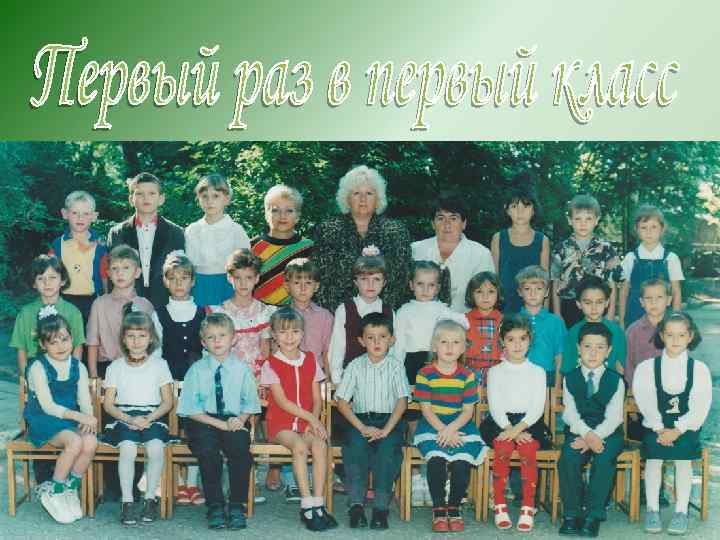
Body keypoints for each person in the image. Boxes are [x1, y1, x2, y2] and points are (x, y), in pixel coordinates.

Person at [177, 313, 261, 530]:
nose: (217, 341)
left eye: (222, 335)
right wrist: (221, 425)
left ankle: (236, 505)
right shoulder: (196, 370)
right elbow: (190, 409)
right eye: (211, 337)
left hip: (234, 419)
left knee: (240, 450)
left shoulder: (242, 369)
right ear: (203, 342)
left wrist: (240, 420)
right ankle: (215, 505)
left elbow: (250, 403)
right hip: (202, 419)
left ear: (233, 339)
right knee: (208, 451)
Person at [633, 312, 712, 536]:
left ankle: (681, 511)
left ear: (690, 336)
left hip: (685, 427)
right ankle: (652, 509)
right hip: (656, 426)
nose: (675, 340)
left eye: (681, 335)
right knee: (654, 456)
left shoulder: (699, 369)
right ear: (661, 336)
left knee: (683, 458)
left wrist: (677, 430)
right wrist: (660, 428)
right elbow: (645, 401)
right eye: (670, 335)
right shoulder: (647, 368)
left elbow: (700, 407)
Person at [259, 307, 337, 532]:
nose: (289, 337)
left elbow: (317, 398)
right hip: (281, 424)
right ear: (274, 335)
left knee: (320, 445)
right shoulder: (270, 364)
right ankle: (306, 505)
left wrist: (313, 422)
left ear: (302, 334)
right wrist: (314, 420)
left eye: (295, 331)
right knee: (300, 447)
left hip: (307, 422)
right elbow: (283, 402)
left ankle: (318, 503)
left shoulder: (311, 359)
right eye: (283, 332)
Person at [336, 312, 410, 530]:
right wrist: (362, 427)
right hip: (361, 422)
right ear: (361, 341)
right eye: (370, 337)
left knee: (387, 453)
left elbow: (402, 402)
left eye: (382, 337)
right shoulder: (355, 366)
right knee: (355, 450)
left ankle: (380, 508)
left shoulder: (396, 366)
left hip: (389, 422)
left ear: (391, 340)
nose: (377, 342)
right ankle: (356, 506)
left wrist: (386, 430)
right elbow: (342, 402)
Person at [101, 309, 174, 526]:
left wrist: (149, 418)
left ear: (151, 338)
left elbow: (167, 402)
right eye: (131, 336)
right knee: (128, 448)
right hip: (124, 416)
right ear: (123, 338)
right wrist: (129, 419)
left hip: (152, 415)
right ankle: (127, 502)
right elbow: (108, 404)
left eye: (142, 336)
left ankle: (150, 498)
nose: (136, 341)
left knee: (155, 448)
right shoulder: (115, 367)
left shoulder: (160, 365)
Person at [24, 309, 97, 524]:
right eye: (53, 342)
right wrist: (79, 417)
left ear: (72, 339)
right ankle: (55, 490)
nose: (60, 346)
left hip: (68, 419)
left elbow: (84, 400)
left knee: (90, 442)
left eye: (64, 339)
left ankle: (70, 488)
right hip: (43, 418)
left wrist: (89, 418)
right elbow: (47, 405)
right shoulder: (38, 367)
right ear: (43, 345)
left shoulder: (79, 367)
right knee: (74, 442)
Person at [414, 320, 487, 533]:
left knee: (461, 462)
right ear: (434, 346)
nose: (449, 347)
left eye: (455, 342)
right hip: (432, 424)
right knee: (436, 460)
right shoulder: (425, 373)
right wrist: (443, 430)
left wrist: (451, 429)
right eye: (444, 342)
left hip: (460, 423)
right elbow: (426, 409)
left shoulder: (467, 375)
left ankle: (454, 507)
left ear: (463, 348)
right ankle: (438, 509)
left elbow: (468, 411)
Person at [480, 314, 550, 532]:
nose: (517, 345)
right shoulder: (495, 372)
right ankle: (499, 504)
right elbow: (495, 405)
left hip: (530, 422)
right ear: (502, 341)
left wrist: (519, 430)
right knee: (503, 447)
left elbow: (537, 407)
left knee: (527, 449)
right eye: (511, 339)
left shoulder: (538, 372)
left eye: (522, 339)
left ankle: (528, 506)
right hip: (501, 422)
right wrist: (511, 430)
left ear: (530, 340)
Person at [558, 323, 625, 538]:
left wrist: (594, 438)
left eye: (600, 347)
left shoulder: (616, 380)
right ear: (579, 348)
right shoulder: (570, 377)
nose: (593, 352)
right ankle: (572, 513)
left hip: (609, 433)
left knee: (604, 459)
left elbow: (614, 417)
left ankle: (594, 515)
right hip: (579, 430)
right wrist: (587, 435)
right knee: (568, 458)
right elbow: (569, 414)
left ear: (608, 351)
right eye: (587, 346)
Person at [314, 165, 411, 312]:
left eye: (369, 193)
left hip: (383, 314)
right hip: (338, 313)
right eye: (356, 193)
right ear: (347, 198)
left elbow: (401, 279)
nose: (363, 199)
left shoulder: (396, 231)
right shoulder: (328, 230)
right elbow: (321, 279)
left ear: (378, 199)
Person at [150, 252, 206, 505]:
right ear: (165, 281)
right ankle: (177, 481)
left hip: (196, 384)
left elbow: (208, 351)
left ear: (192, 281)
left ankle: (192, 482)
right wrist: (163, 383)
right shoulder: (159, 314)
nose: (179, 283)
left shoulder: (202, 313)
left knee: (194, 430)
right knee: (172, 430)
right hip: (169, 384)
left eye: (184, 278)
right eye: (173, 278)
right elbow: (155, 353)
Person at [279, 258, 333, 502]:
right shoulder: (280, 315)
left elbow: (327, 352)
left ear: (317, 286)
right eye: (297, 282)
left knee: (312, 427)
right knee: (290, 426)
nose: (302, 288)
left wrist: (329, 379)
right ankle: (291, 480)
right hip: (287, 381)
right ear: (287, 285)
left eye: (308, 283)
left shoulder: (325, 316)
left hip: (315, 381)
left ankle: (313, 477)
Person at [107, 172, 185, 309]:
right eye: (139, 194)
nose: (146, 198)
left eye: (151, 193)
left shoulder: (176, 233)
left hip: (166, 304)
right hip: (127, 303)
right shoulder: (117, 233)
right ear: (131, 199)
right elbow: (111, 273)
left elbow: (182, 272)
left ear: (161, 199)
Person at [412, 195, 494, 313]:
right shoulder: (415, 250)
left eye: (453, 218)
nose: (447, 224)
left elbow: (488, 299)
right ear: (433, 223)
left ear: (464, 223)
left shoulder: (481, 254)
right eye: (440, 218)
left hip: (465, 321)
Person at [551, 194, 621, 328]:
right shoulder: (561, 249)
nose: (583, 223)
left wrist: (611, 313)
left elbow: (612, 282)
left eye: (588, 218)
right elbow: (555, 282)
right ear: (570, 220)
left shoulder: (607, 249)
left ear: (596, 220)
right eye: (578, 219)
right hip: (569, 307)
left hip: (597, 307)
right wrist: (557, 313)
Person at [394, 260, 468, 386]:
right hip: (412, 361)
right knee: (414, 394)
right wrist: (397, 371)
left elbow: (465, 323)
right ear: (411, 285)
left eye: (431, 285)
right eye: (420, 284)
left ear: (437, 288)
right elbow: (399, 345)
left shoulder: (443, 310)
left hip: (438, 361)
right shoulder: (404, 311)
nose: (425, 289)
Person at [86, 245, 154, 379]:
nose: (119, 273)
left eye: (126, 268)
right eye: (114, 268)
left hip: (139, 368)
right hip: (106, 367)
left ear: (137, 272)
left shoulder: (145, 306)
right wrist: (93, 375)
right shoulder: (99, 304)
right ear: (108, 273)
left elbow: (152, 344)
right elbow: (92, 342)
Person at [208, 249, 275, 381]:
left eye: (248, 277)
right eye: (238, 278)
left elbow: (265, 349)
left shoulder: (264, 312)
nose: (243, 283)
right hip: (229, 376)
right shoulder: (221, 313)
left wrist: (265, 379)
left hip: (257, 376)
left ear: (257, 278)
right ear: (229, 278)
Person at [11, 255, 85, 376]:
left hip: (64, 368)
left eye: (52, 277)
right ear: (34, 283)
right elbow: (21, 349)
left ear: (62, 280)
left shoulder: (73, 312)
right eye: (41, 278)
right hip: (34, 371)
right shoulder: (25, 313)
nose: (47, 283)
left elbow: (77, 346)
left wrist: (74, 374)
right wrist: (25, 378)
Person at [327, 253, 394, 384]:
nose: (370, 284)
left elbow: (393, 349)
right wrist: (337, 379)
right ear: (356, 282)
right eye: (364, 279)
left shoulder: (389, 311)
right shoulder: (345, 309)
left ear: (384, 282)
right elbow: (337, 346)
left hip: (380, 378)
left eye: (376, 279)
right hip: (351, 378)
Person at [185, 173, 251, 307]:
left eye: (215, 196)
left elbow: (245, 266)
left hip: (228, 286)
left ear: (226, 199)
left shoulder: (236, 231)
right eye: (204, 196)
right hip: (199, 287)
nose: (210, 201)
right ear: (198, 199)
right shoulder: (192, 230)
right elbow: (188, 265)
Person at [49, 190, 108, 326]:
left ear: (94, 216)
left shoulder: (100, 245)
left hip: (92, 301)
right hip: (64, 300)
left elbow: (104, 275)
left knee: (91, 337)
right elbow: (50, 274)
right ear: (65, 214)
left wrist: (106, 300)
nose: (80, 218)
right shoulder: (57, 245)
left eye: (86, 214)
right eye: (75, 213)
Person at [619, 204, 684, 329]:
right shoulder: (630, 258)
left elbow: (676, 291)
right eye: (644, 227)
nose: (649, 232)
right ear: (636, 229)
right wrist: (622, 321)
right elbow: (624, 291)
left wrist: (676, 319)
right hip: (634, 315)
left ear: (662, 228)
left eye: (654, 227)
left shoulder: (671, 258)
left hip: (663, 318)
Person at [490, 182, 550, 315]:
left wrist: (545, 313)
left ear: (534, 210)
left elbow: (545, 280)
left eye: (526, 206)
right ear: (507, 210)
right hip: (505, 307)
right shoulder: (498, 238)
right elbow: (494, 278)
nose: (520, 211)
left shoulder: (542, 240)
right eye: (514, 206)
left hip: (533, 307)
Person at [252, 185, 314, 306]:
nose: (282, 216)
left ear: (298, 216)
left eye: (289, 211)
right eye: (275, 210)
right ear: (266, 214)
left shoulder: (308, 248)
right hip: (259, 312)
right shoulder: (253, 246)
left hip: (297, 313)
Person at [560, 277, 626, 377]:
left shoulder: (616, 332)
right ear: (579, 304)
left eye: (599, 302)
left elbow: (620, 367)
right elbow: (568, 368)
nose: (594, 308)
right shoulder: (573, 332)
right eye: (588, 303)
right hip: (579, 384)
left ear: (607, 302)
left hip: (609, 383)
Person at [516, 265, 567, 389]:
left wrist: (557, 387)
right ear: (520, 292)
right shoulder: (513, 321)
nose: (533, 293)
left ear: (547, 292)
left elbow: (560, 357)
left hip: (547, 376)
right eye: (527, 289)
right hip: (518, 376)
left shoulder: (555, 322)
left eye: (539, 289)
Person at [624, 278, 671, 388]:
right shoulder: (633, 331)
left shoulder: (677, 329)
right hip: (641, 388)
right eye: (648, 298)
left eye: (659, 297)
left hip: (671, 387)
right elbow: (628, 364)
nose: (653, 302)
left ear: (669, 300)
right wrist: (633, 387)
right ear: (642, 302)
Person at [464, 271, 504, 388]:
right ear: (471, 294)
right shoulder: (463, 320)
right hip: (470, 371)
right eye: (479, 291)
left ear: (498, 294)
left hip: (497, 372)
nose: (485, 297)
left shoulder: (504, 321)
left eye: (491, 292)